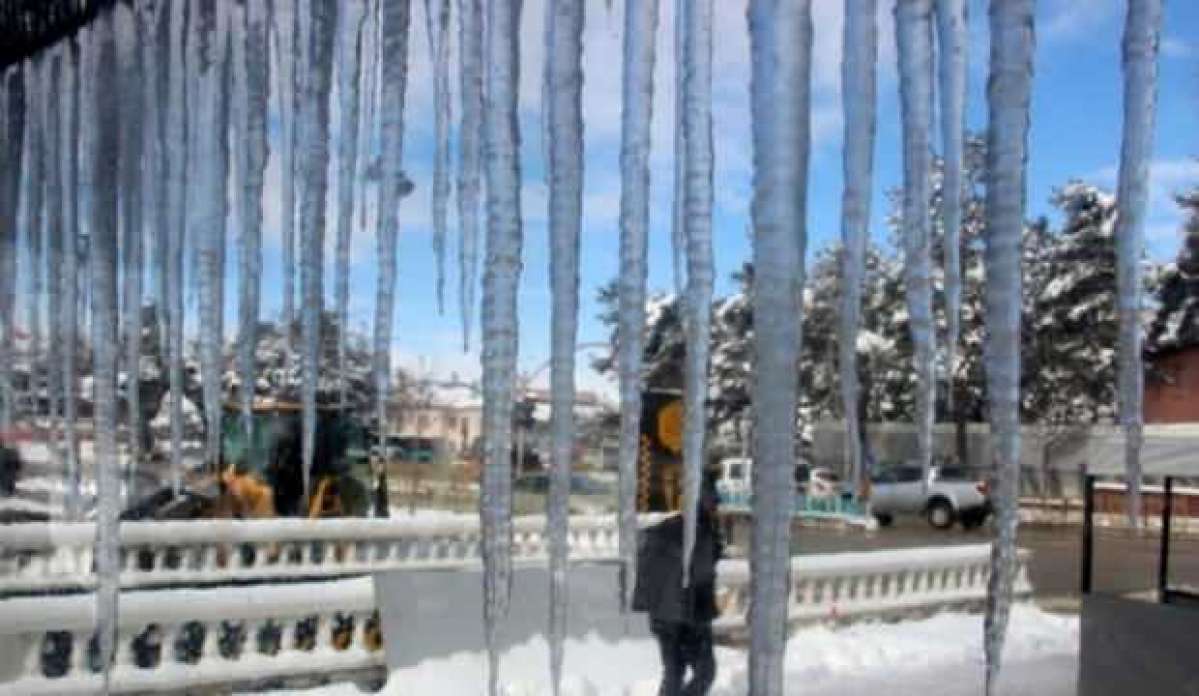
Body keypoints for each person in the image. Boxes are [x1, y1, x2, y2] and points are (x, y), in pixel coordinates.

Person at [633, 470, 724, 696]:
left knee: (680, 672)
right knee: (697, 672)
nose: (717, 502)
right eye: (712, 496)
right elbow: (699, 574)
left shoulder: (695, 530)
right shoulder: (683, 531)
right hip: (681, 617)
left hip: (678, 615)